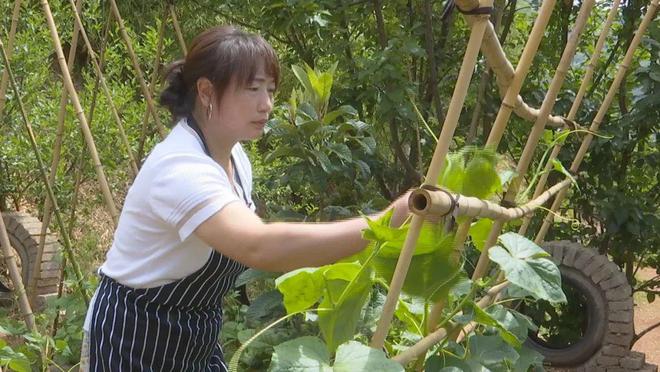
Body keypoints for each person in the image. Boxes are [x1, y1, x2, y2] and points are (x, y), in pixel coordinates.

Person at [81, 25, 410, 371]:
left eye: (270, 89)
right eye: (252, 89)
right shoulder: (179, 168)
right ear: (206, 91)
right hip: (133, 340)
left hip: (195, 336)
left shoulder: (235, 158)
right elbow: (259, 246)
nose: (266, 104)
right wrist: (389, 220)